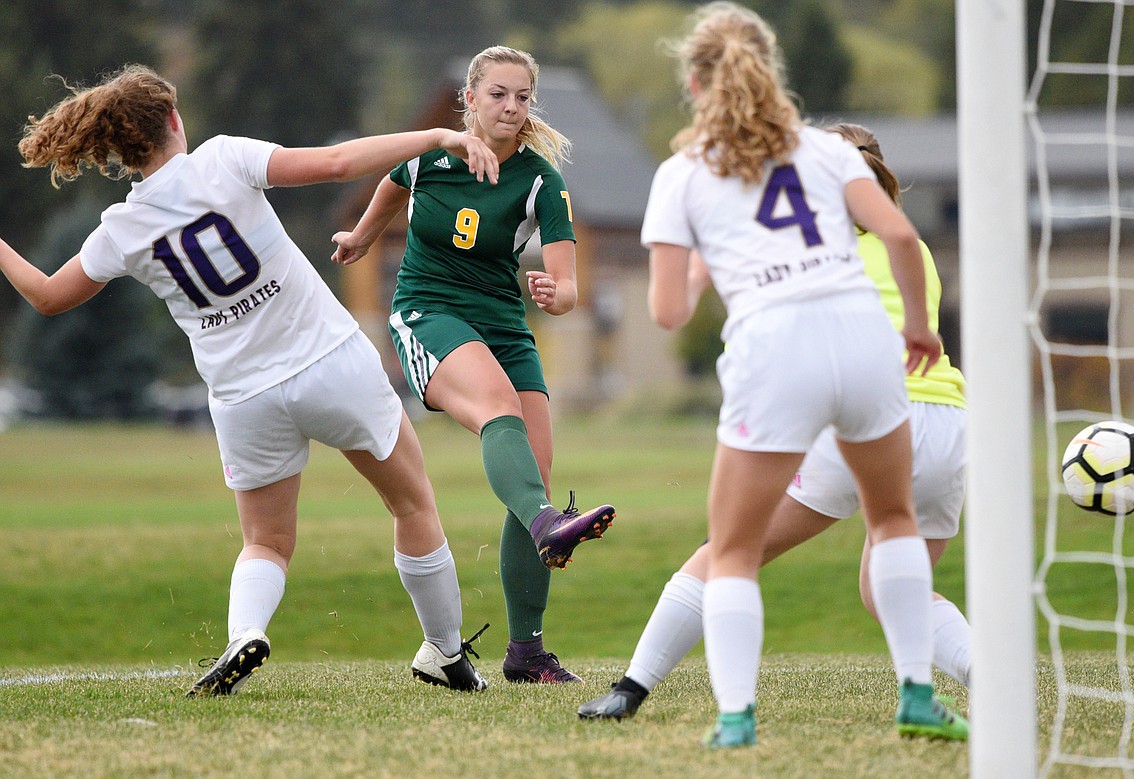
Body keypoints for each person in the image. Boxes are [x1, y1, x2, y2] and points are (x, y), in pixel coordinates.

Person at [0, 64, 501, 696]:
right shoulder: (223, 160)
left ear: (118, 150)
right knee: (411, 503)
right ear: (175, 120)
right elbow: (341, 162)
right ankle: (445, 653)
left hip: (243, 398)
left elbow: (47, 296)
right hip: (330, 362)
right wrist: (435, 136)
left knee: (265, 541)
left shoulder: (122, 229)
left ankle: (245, 634)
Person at [610, 3, 968, 747]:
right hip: (866, 343)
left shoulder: (684, 173)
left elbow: (669, 312)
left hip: (776, 348)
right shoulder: (831, 152)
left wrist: (709, 263)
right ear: (772, 71)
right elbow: (900, 232)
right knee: (893, 518)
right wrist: (920, 326)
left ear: (695, 82)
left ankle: (737, 715)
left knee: (733, 546)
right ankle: (917, 695)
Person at [331, 45, 616, 684]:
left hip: (503, 326)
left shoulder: (542, 179)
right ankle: (550, 525)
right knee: (500, 410)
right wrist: (364, 237)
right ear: (470, 99)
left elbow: (568, 285)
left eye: (521, 97)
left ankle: (527, 653)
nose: (511, 107)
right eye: (498, 94)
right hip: (428, 313)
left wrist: (557, 294)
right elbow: (388, 185)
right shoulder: (431, 155)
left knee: (534, 476)